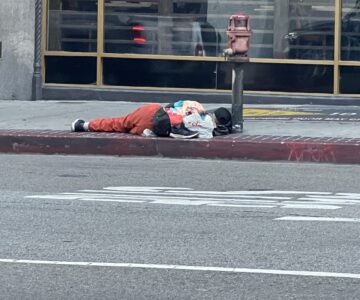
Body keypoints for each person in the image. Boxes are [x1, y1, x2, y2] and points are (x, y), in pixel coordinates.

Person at [71, 103, 172, 137]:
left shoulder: (187, 106)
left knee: (119, 123)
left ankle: (84, 125)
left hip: (153, 112)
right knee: (121, 125)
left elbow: (171, 106)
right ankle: (83, 126)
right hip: (152, 125)